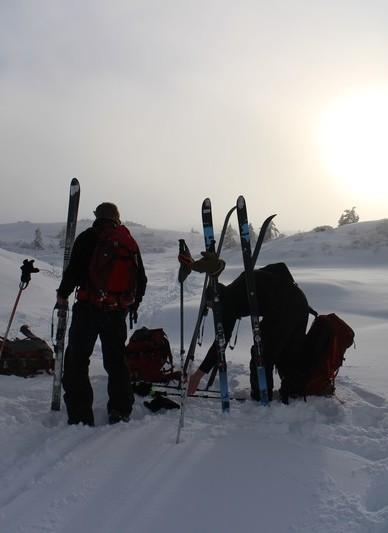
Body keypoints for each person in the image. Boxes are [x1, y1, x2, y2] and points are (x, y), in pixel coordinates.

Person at [57, 202, 147, 425]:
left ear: (97, 217)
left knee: (77, 361)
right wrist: (131, 305)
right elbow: (141, 279)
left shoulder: (88, 238)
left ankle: (80, 415)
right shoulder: (128, 241)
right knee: (116, 361)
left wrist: (62, 294)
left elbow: (74, 272)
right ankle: (120, 410)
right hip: (116, 312)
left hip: (87, 308)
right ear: (117, 217)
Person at [187, 262, 309, 403]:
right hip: (300, 301)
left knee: (261, 353)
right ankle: (295, 393)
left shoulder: (228, 303)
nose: (215, 312)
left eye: (211, 307)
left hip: (282, 310)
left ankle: (261, 398)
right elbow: (280, 267)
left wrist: (197, 376)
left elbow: (220, 344)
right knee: (287, 352)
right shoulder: (241, 281)